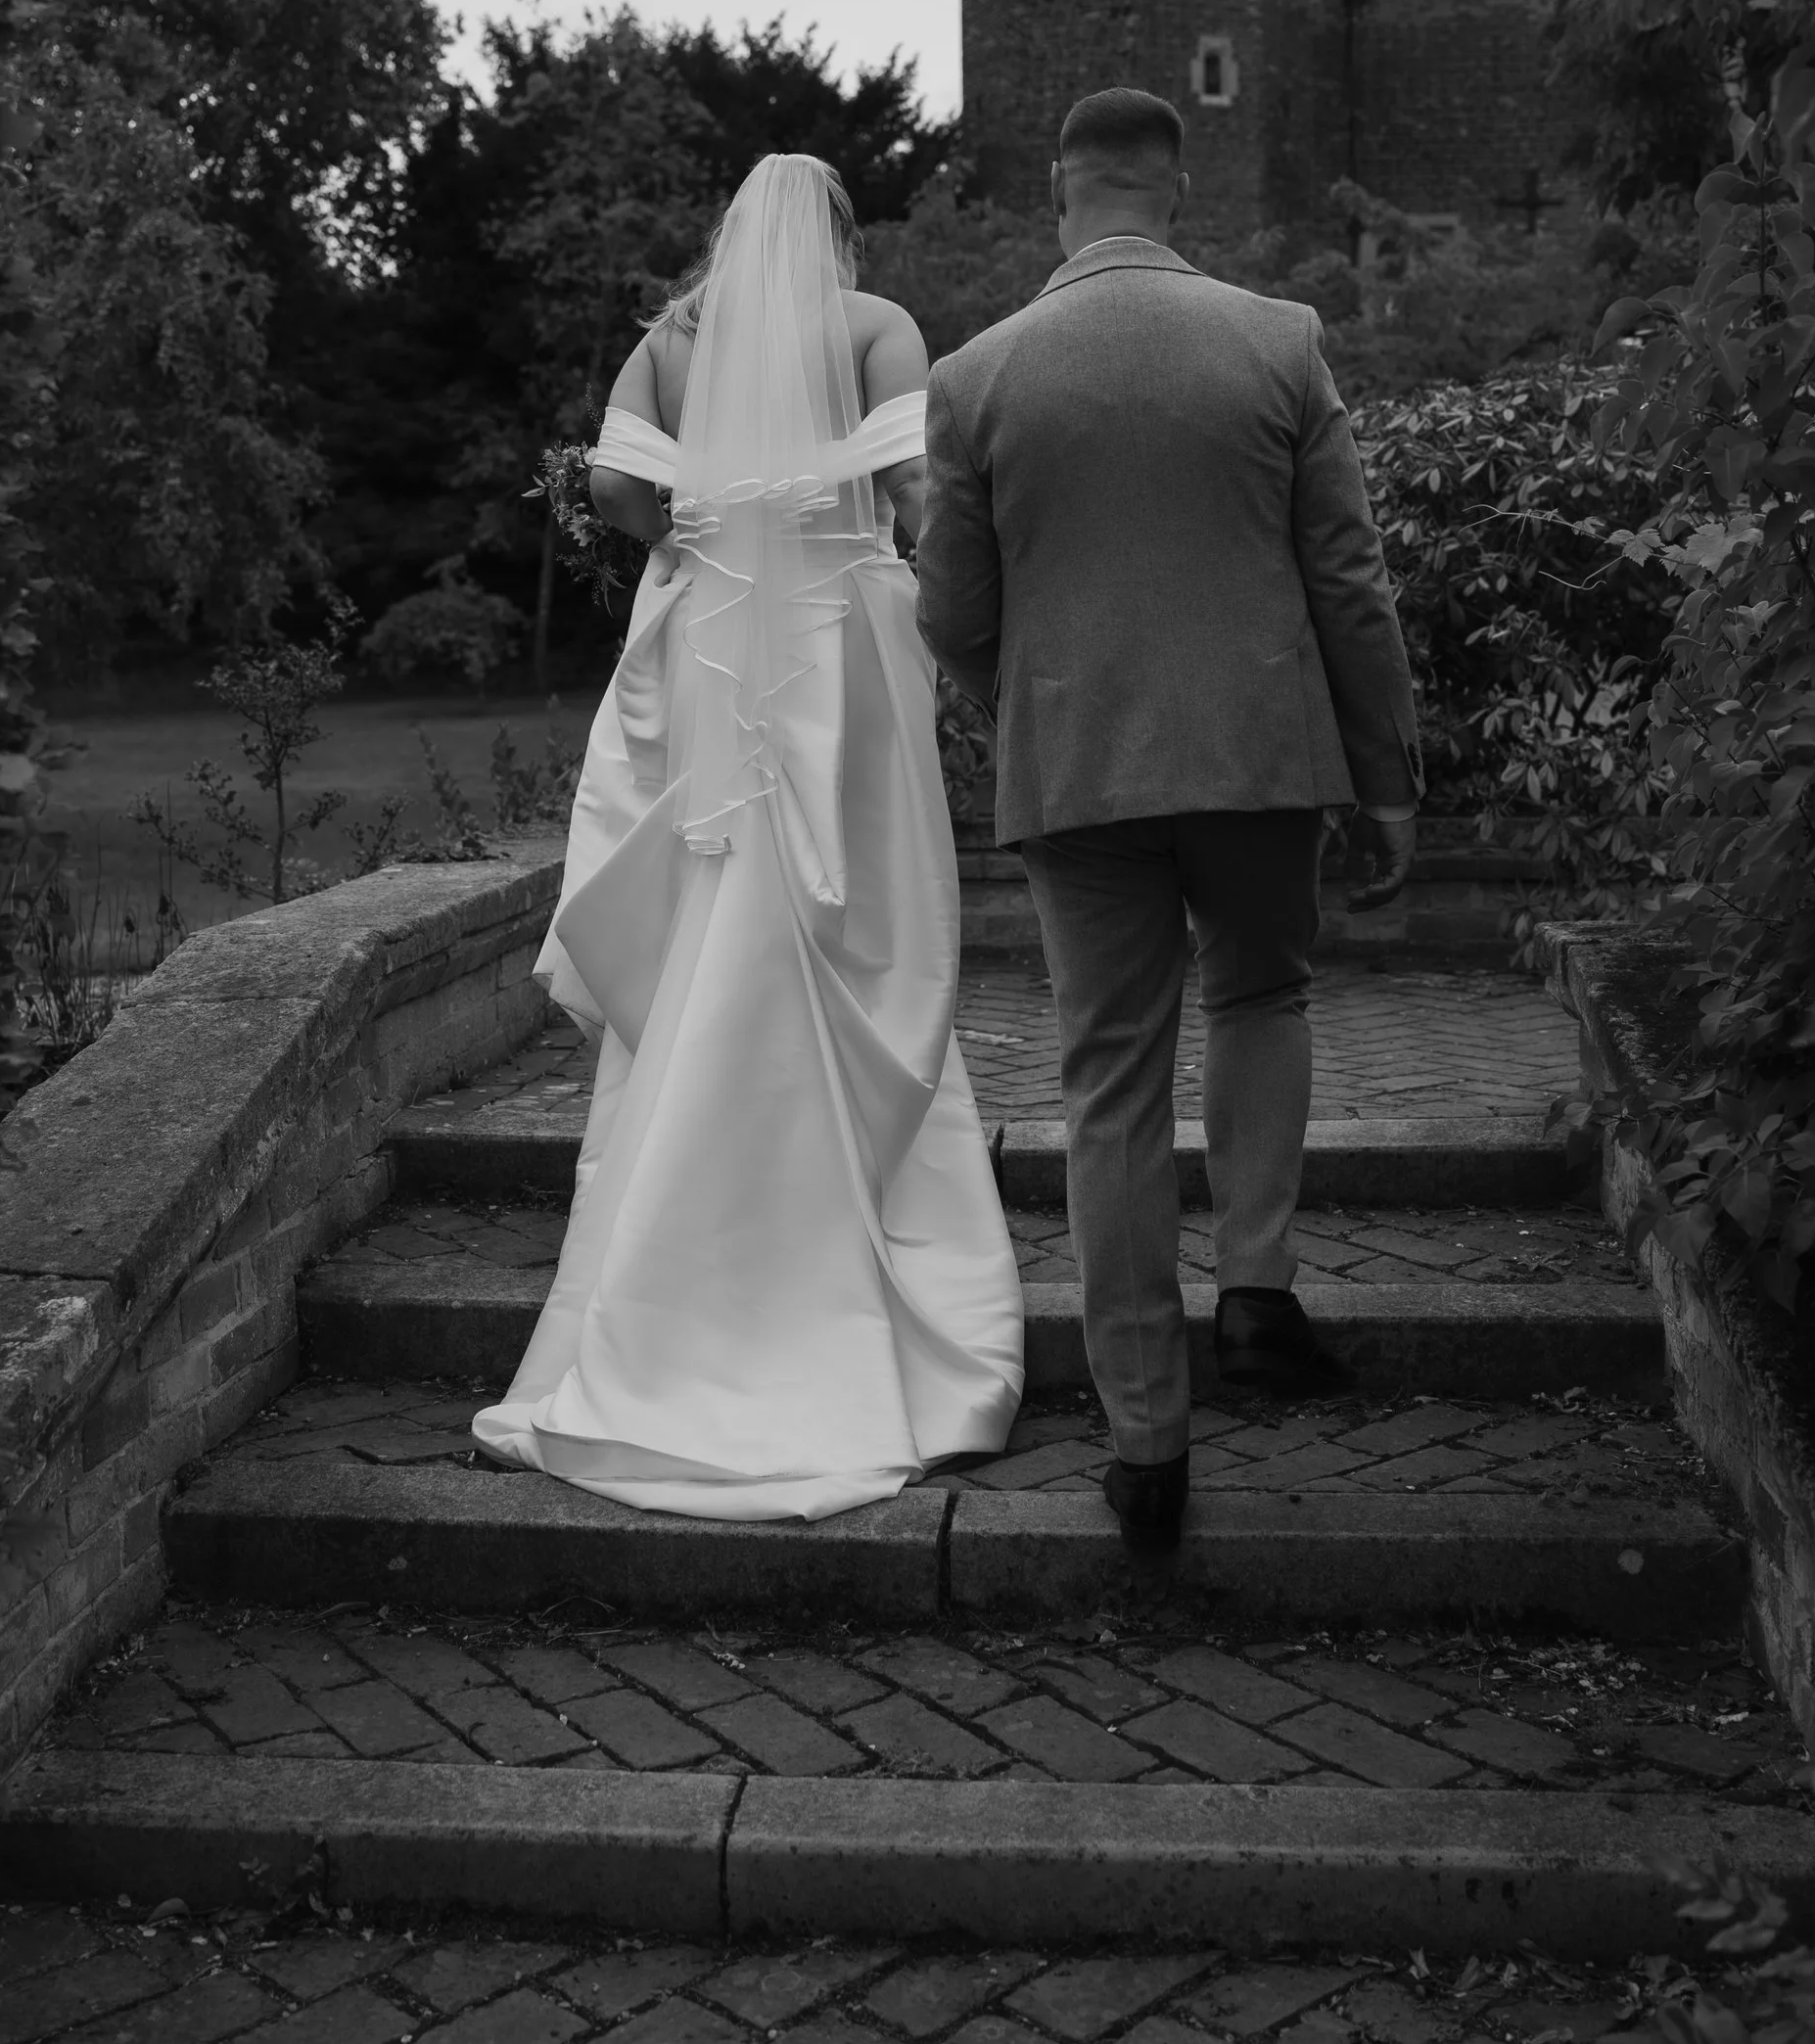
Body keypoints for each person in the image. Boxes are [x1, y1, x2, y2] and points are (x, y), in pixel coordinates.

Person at [473, 152, 1023, 1518]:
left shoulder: (673, 340)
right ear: (836, 234)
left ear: (731, 232)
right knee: (857, 917)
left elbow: (614, 493)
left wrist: (703, 533)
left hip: (710, 649)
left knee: (716, 898)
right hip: (838, 653)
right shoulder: (874, 324)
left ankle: (668, 1281)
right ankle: (868, 1278)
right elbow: (917, 493)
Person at [917, 87, 1421, 1550]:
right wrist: (1384, 773)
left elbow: (950, 607)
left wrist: (1035, 695)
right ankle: (1256, 1289)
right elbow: (1352, 577)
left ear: (1061, 196)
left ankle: (1146, 1441)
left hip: (1076, 767)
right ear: (1178, 193)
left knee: (1111, 1082)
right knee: (1263, 988)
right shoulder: (1280, 339)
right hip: (1262, 751)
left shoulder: (978, 374)